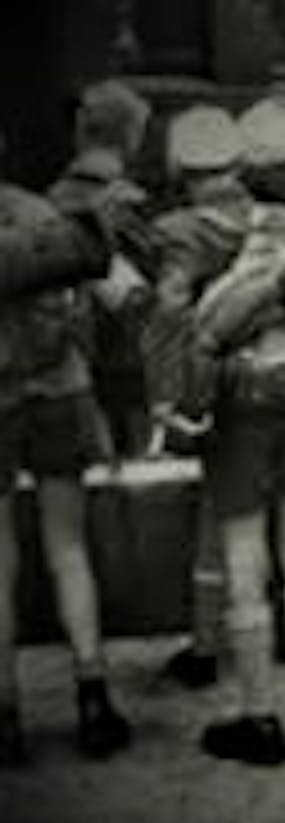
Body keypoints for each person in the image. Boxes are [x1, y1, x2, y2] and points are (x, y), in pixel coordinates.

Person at [144, 106, 285, 766]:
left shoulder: (181, 233)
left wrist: (170, 400)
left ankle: (259, 718)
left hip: (234, 401)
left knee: (243, 554)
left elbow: (170, 310)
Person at [0, 123, 138, 766]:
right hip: (59, 390)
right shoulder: (42, 216)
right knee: (68, 548)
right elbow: (98, 305)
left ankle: (6, 715)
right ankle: (93, 696)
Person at [47, 80, 154, 459]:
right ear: (131, 137)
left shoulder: (52, 200)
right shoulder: (129, 202)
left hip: (72, 356)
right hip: (130, 354)